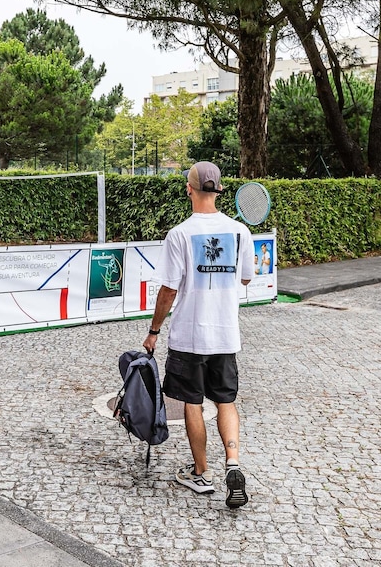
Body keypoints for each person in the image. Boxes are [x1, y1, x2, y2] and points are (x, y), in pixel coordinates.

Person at [143, 161, 254, 508]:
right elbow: (246, 278)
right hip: (225, 335)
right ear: (219, 190)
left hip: (190, 337)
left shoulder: (179, 234)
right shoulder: (240, 232)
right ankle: (233, 464)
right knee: (226, 401)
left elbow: (168, 290)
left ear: (188, 189)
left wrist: (154, 330)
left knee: (193, 402)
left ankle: (201, 473)